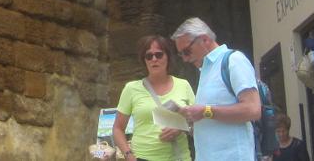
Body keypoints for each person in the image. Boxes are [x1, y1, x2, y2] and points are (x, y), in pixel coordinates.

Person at [172, 18, 261, 161]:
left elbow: (253, 110)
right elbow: (212, 121)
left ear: (205, 39)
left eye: (187, 51)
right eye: (181, 54)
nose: (185, 59)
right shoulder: (206, 70)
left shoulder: (234, 60)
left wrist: (205, 111)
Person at [112, 35, 195, 161]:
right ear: (144, 60)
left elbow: (197, 120)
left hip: (179, 157)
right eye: (149, 56)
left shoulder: (183, 85)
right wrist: (128, 155)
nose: (154, 59)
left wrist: (180, 128)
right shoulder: (131, 88)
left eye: (159, 55)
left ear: (168, 57)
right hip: (143, 157)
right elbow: (118, 128)